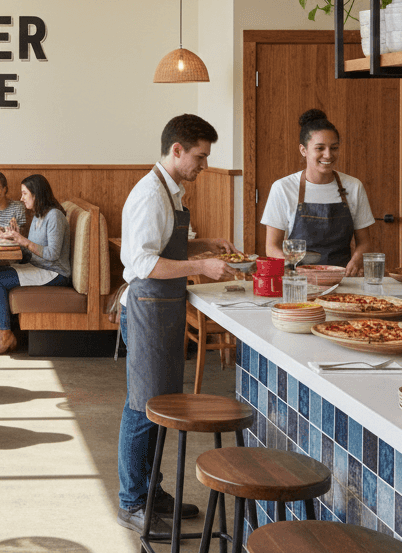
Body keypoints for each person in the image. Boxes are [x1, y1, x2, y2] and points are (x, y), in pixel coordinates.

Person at [116, 114, 237, 535]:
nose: (203, 165)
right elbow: (145, 261)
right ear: (177, 150)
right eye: (200, 157)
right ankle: (132, 501)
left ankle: (152, 491)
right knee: (141, 408)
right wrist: (201, 264)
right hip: (147, 306)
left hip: (163, 306)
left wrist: (204, 244)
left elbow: (164, 242)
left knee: (158, 406)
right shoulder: (151, 194)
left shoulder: (172, 191)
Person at [261, 109, 376, 275]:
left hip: (342, 279)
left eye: (334, 148)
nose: (328, 155)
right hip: (298, 280)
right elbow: (271, 247)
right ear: (303, 150)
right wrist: (291, 267)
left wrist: (356, 261)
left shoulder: (354, 187)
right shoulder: (283, 188)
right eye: (320, 148)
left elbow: (364, 242)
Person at [0, 174, 72, 355]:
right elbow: (30, 251)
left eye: (25, 194)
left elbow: (52, 255)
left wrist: (22, 241)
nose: (21, 198)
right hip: (39, 267)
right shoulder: (39, 215)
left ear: (36, 194)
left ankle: (5, 333)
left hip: (54, 273)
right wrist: (15, 238)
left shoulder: (54, 216)